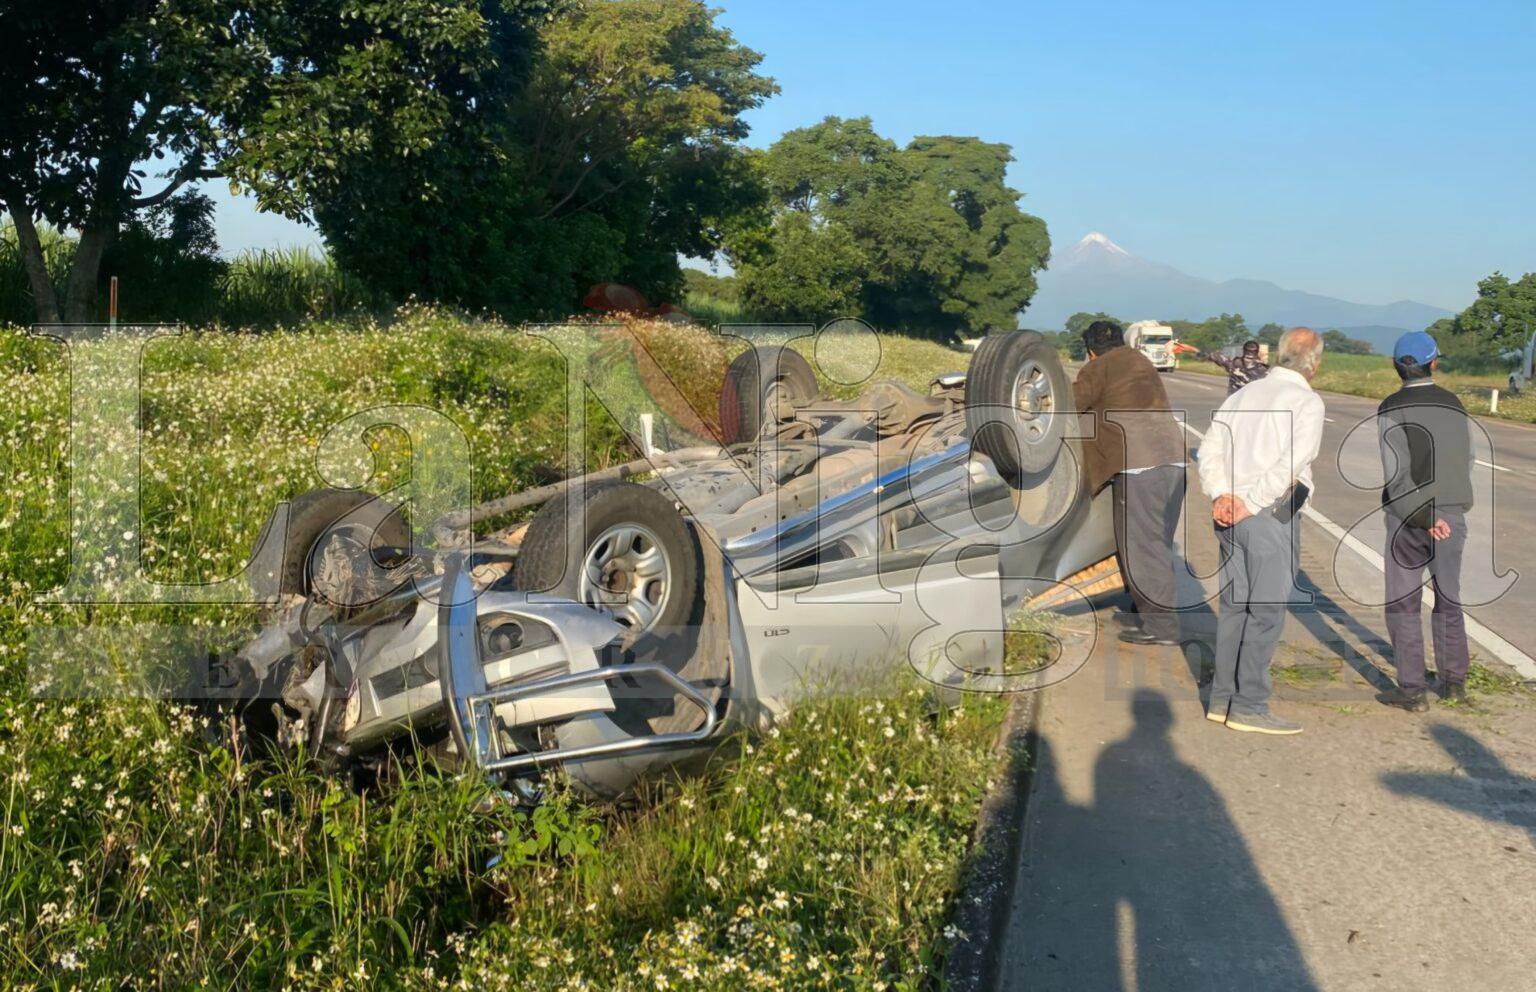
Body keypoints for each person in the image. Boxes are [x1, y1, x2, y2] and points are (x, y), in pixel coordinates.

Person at [1196, 327, 1326, 734]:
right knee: (1266, 612)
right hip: (1269, 516)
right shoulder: (1306, 402)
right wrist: (1249, 503)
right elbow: (1292, 463)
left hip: (1228, 513)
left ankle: (1223, 699)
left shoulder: (1240, 396)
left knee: (1236, 608)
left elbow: (1209, 449)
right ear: (1314, 364)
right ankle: (1249, 704)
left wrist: (1221, 495)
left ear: (1278, 356)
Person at [1375, 330, 1476, 711]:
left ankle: (1412, 689)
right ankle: (1454, 682)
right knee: (1449, 597)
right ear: (1434, 362)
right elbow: (1467, 460)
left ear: (1398, 367)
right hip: (1451, 515)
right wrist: (1444, 509)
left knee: (1403, 601)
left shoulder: (1391, 406)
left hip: (1407, 516)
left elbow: (1395, 471)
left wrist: (1422, 514)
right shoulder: (1455, 403)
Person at [1073, 319, 1189, 646]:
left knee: (1142, 547)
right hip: (1174, 459)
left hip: (1140, 465)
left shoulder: (1098, 368)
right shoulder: (1140, 361)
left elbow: (1072, 404)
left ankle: (1162, 627)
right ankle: (1144, 611)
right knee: (1157, 541)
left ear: (1091, 351)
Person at [1202, 339, 1270, 395]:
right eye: (1247, 351)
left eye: (1253, 352)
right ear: (1243, 351)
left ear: (1257, 353)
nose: (1249, 354)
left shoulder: (1263, 370)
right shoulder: (1234, 364)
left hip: (1251, 402)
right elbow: (1217, 357)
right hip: (1233, 402)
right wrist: (1206, 354)